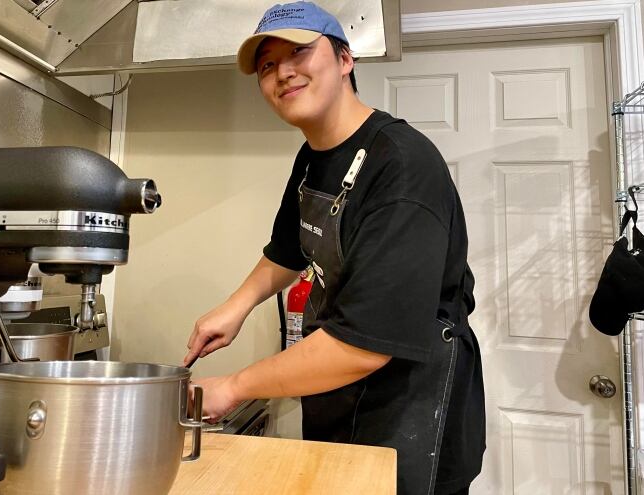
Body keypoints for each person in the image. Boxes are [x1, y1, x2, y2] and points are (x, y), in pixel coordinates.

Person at [183, 2, 485, 494]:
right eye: (266, 65)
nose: (282, 72)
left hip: (412, 409)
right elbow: (288, 249)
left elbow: (364, 344)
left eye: (299, 51)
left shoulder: (402, 167)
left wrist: (233, 387)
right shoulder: (312, 157)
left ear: (346, 59)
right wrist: (234, 307)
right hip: (338, 395)